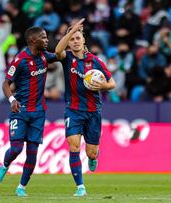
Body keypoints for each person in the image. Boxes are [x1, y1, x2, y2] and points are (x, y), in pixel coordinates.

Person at [0, 27, 59, 196]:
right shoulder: (20, 60)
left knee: (32, 153)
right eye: (43, 38)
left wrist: (71, 36)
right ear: (32, 41)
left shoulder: (45, 56)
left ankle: (21, 187)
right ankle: (5, 165)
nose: (46, 40)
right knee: (16, 149)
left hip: (38, 112)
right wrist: (12, 100)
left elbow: (60, 54)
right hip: (20, 110)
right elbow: (5, 84)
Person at [55, 18, 115, 196]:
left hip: (93, 111)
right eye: (72, 39)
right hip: (73, 110)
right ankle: (80, 187)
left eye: (77, 38)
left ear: (84, 41)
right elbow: (58, 50)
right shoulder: (67, 58)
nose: (75, 41)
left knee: (92, 153)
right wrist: (72, 30)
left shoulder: (95, 61)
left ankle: (93, 156)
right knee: (73, 146)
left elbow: (112, 83)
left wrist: (103, 86)